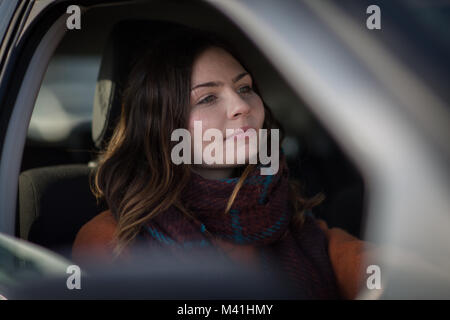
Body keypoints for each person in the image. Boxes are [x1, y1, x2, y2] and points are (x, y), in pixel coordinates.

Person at [73, 26, 374, 299]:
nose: (242, 106)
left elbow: (381, 272)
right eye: (206, 98)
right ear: (162, 128)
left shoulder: (290, 218)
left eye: (244, 88)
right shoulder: (113, 241)